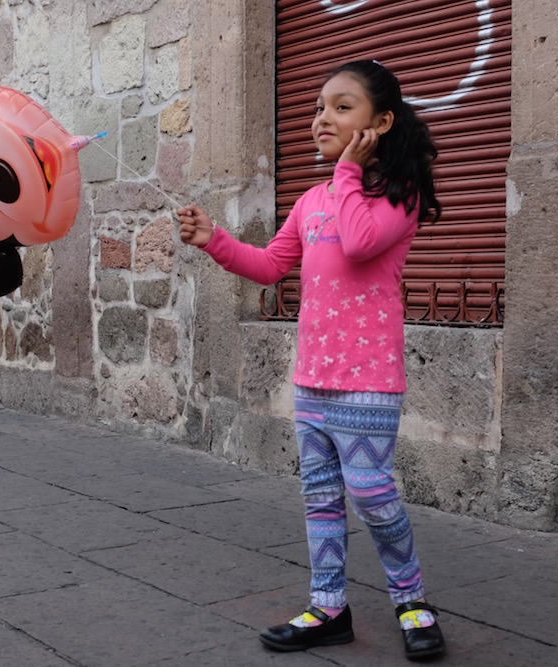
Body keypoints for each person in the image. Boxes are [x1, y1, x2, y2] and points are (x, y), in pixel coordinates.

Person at [177, 60, 445, 661]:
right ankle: (328, 606)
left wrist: (349, 171)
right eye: (320, 105)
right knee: (321, 497)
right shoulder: (311, 201)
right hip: (313, 381)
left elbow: (360, 241)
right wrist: (214, 240)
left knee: (372, 493)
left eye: (342, 106)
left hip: (369, 379)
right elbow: (271, 266)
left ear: (381, 122)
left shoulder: (399, 195)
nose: (323, 116)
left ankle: (412, 600)